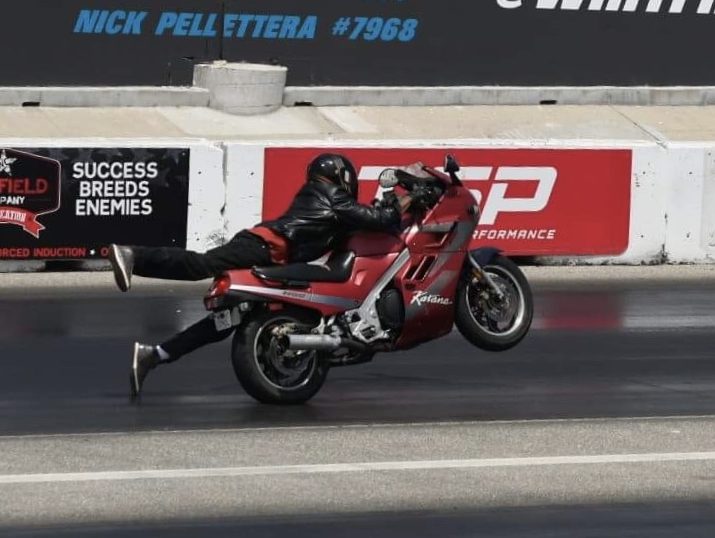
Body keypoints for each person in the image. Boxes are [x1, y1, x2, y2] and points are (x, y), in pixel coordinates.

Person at [108, 153, 409, 401]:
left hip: (269, 252)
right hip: (262, 247)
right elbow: (376, 219)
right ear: (341, 175)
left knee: (225, 322)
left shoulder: (327, 202)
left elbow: (358, 225)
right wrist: (396, 203)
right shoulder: (327, 193)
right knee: (201, 265)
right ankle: (134, 256)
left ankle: (155, 355)